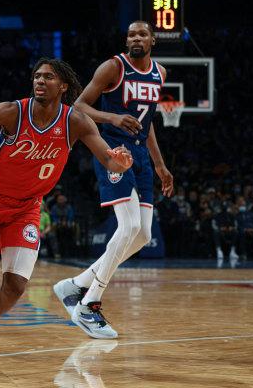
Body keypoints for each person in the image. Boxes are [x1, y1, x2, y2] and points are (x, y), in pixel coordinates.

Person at [0, 58, 133, 356]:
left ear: (63, 86)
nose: (40, 81)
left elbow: (108, 159)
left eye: (48, 77)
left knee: (16, 286)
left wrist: (119, 164)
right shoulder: (13, 112)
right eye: (37, 76)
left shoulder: (76, 121)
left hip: (27, 209)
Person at [52, 21, 174, 339]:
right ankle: (89, 303)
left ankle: (75, 285)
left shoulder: (160, 73)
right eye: (131, 34)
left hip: (142, 155)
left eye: (142, 34)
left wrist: (160, 165)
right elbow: (78, 106)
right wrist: (113, 117)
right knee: (128, 226)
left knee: (143, 234)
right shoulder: (113, 67)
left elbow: (148, 123)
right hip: (113, 151)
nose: (136, 38)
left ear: (153, 40)